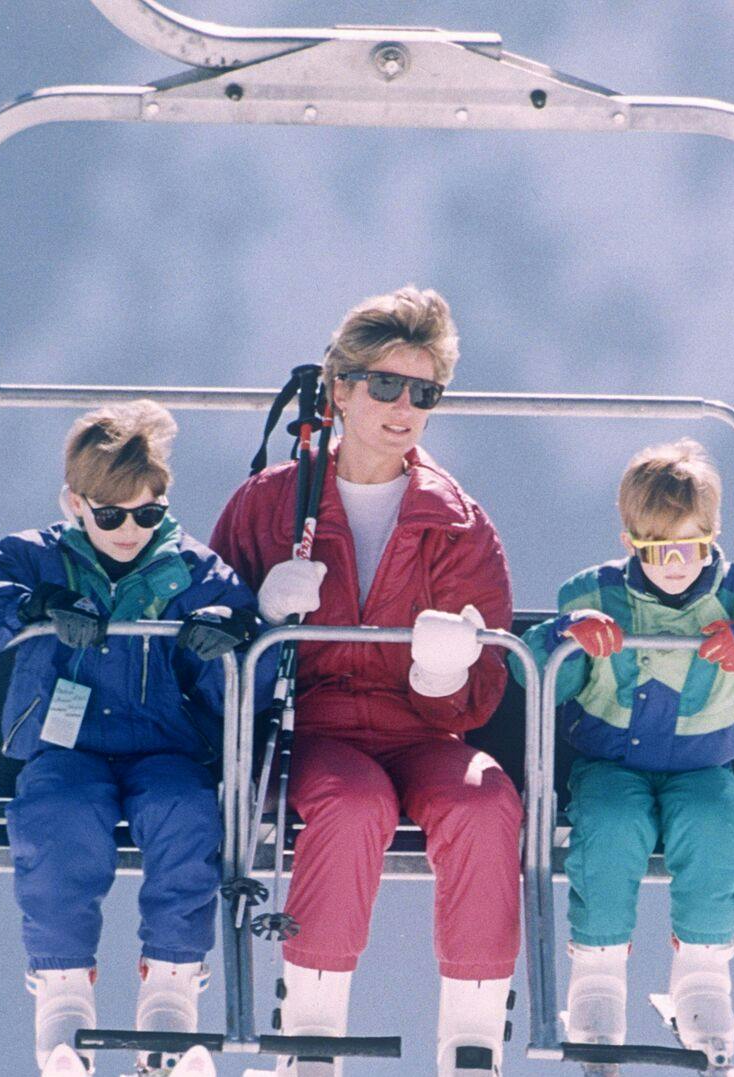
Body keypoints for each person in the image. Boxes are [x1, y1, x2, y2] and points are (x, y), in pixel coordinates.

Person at [210, 287, 520, 1076]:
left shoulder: (456, 522)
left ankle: (473, 1033)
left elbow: (482, 687)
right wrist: (263, 619)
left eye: (424, 392)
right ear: (339, 387)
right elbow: (204, 631)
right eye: (385, 384)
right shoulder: (273, 503)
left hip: (420, 728)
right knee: (353, 804)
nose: (403, 407)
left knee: (485, 802)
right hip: (313, 726)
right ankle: (312, 1023)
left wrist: (443, 671)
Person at [0, 401, 264, 1077]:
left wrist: (227, 641)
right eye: (109, 514)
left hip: (163, 745)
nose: (128, 530)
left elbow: (257, 674)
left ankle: (169, 996)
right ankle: (64, 1001)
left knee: (186, 814)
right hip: (69, 746)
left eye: (147, 513)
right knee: (57, 819)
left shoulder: (196, 573)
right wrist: (30, 607)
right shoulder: (34, 559)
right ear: (75, 503)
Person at [517, 438, 734, 1070]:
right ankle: (597, 979)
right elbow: (534, 674)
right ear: (631, 543)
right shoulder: (596, 596)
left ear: (711, 537)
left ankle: (702, 978)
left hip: (702, 765)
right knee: (608, 828)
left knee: (713, 832)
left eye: (689, 548)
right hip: (610, 762)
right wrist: (568, 643)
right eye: (657, 551)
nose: (675, 564)